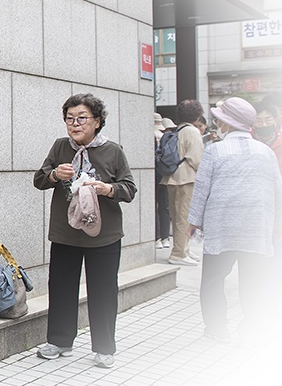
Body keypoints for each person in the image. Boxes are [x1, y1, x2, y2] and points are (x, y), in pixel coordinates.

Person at [34, 93, 137, 368]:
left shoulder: (113, 151)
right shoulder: (60, 147)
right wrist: (55, 174)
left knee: (103, 291)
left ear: (97, 121)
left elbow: (129, 189)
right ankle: (60, 341)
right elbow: (39, 180)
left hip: (104, 235)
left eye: (81, 118)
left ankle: (104, 347)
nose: (74, 124)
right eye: (69, 119)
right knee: (61, 287)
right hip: (65, 232)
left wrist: (107, 189)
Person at [188, 97, 282, 342]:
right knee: (253, 281)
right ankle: (251, 331)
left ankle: (216, 329)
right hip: (256, 227)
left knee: (213, 280)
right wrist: (281, 223)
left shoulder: (215, 150)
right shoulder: (265, 152)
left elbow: (201, 190)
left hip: (221, 226)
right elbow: (278, 190)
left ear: (226, 123)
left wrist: (193, 221)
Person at [160, 99, 205, 266]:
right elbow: (197, 159)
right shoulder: (192, 131)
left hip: (172, 177)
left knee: (177, 215)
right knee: (184, 217)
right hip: (186, 178)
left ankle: (183, 249)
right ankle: (179, 253)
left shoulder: (178, 129)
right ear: (198, 115)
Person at [154, 115, 176, 249]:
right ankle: (165, 237)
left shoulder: (151, 135)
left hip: (153, 174)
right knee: (164, 206)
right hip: (164, 173)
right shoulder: (165, 137)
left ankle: (156, 238)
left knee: (154, 206)